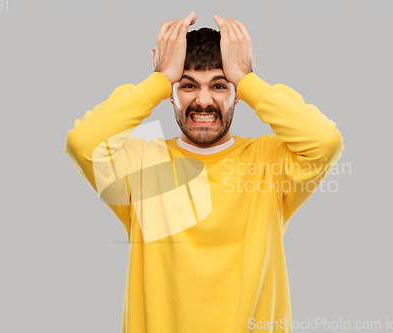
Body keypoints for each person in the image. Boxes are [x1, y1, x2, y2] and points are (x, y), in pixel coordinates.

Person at [64, 11, 344, 333]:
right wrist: (159, 78)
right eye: (187, 85)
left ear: (237, 95)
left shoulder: (268, 162)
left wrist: (247, 78)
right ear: (171, 92)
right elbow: (83, 143)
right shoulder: (144, 163)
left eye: (220, 85)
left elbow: (325, 142)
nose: (204, 100)